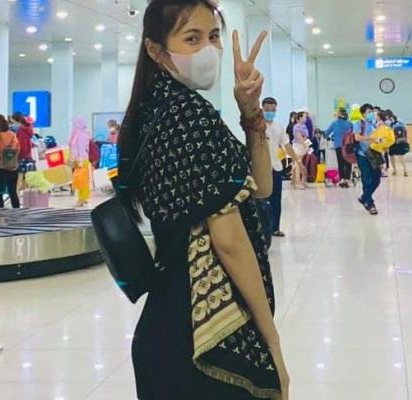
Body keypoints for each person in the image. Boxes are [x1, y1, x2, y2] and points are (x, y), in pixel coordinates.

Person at [117, 1, 288, 398]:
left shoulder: (158, 108)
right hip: (202, 336)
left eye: (213, 37)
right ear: (156, 50)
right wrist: (273, 343)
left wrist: (251, 114)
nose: (208, 50)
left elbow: (261, 188)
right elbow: (228, 241)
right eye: (191, 39)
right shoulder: (188, 116)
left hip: (167, 321)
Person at [262, 97, 303, 237]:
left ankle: (275, 227)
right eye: (267, 110)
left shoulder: (278, 127)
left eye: (272, 110)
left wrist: (297, 160)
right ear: (262, 109)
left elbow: (287, 145)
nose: (270, 112)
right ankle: (263, 229)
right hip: (261, 168)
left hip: (276, 167)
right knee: (262, 200)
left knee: (276, 199)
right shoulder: (257, 127)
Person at [355, 103, 382, 215]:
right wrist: (370, 138)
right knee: (366, 180)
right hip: (363, 155)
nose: (371, 114)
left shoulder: (374, 124)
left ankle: (364, 197)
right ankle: (370, 204)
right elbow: (357, 137)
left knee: (377, 178)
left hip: (374, 155)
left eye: (372, 112)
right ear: (363, 114)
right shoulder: (358, 124)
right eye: (369, 112)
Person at [326, 107, 353, 188]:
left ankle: (342, 179)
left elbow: (327, 133)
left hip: (338, 145)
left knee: (340, 163)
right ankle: (347, 179)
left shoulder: (334, 123)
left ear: (339, 114)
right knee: (348, 162)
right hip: (348, 145)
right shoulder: (349, 123)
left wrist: (330, 136)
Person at [69, 116, 92, 207]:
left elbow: (81, 148)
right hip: (80, 159)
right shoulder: (81, 133)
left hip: (81, 160)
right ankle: (84, 198)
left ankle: (81, 199)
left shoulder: (81, 134)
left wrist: (80, 161)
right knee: (82, 180)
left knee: (81, 180)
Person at [11, 112, 36, 192]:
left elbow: (22, 146)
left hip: (22, 157)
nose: (12, 124)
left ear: (16, 121)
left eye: (13, 121)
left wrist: (16, 154)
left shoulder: (20, 130)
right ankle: (26, 197)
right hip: (28, 157)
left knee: (19, 179)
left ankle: (16, 197)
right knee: (26, 179)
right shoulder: (27, 129)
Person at [386, 110, 410, 177]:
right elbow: (405, 129)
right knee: (401, 156)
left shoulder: (388, 122)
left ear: (387, 115)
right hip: (401, 140)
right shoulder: (400, 120)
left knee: (391, 155)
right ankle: (405, 170)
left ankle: (395, 170)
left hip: (392, 141)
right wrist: (405, 139)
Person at [292, 111, 310, 189]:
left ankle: (303, 181)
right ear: (300, 118)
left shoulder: (304, 126)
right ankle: (297, 182)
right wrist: (305, 145)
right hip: (298, 147)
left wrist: (307, 145)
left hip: (304, 147)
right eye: (304, 117)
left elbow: (306, 137)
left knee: (303, 164)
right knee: (298, 165)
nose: (306, 118)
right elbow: (299, 137)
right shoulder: (297, 126)